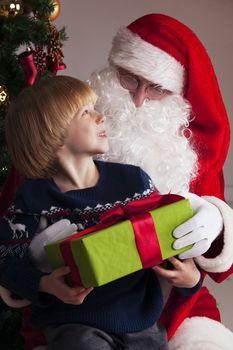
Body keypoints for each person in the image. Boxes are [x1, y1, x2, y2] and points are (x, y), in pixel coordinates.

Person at [0, 75, 202, 350]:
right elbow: (7, 266)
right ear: (51, 131)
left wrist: (190, 278)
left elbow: (164, 237)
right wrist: (46, 284)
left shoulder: (133, 181)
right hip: (75, 324)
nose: (100, 116)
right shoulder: (32, 200)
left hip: (141, 322)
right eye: (86, 112)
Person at [87, 13, 233, 349]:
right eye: (129, 79)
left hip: (171, 303)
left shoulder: (186, 151)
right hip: (85, 306)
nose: (138, 100)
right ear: (112, 70)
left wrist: (215, 218)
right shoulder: (72, 129)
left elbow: (207, 264)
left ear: (177, 93)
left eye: (155, 88)